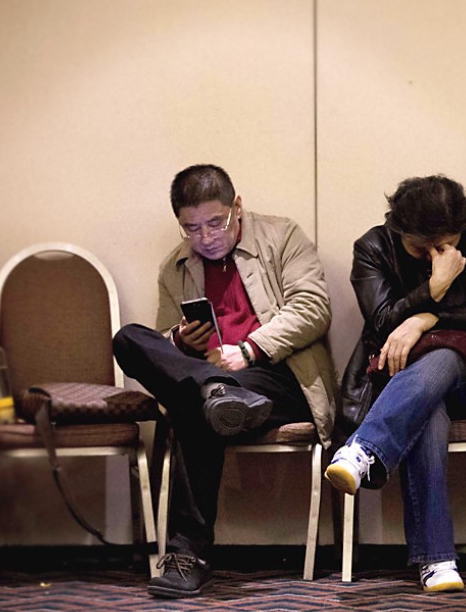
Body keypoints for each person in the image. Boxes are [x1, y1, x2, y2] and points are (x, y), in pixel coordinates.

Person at [113, 164, 336, 598]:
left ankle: (186, 555)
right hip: (213, 386)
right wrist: (179, 340)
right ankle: (212, 388)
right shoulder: (174, 266)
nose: (206, 237)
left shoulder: (282, 236)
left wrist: (249, 349)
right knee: (129, 340)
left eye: (216, 223)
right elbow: (160, 350)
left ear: (237, 206)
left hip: (275, 378)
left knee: (194, 405)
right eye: (191, 228)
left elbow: (313, 308)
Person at [325, 175, 466, 593]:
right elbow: (379, 320)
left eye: (446, 245)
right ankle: (437, 560)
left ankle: (364, 449)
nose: (436, 254)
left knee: (445, 355)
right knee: (428, 410)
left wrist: (426, 318)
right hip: (397, 380)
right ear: (399, 230)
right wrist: (434, 286)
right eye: (422, 248)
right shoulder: (373, 247)